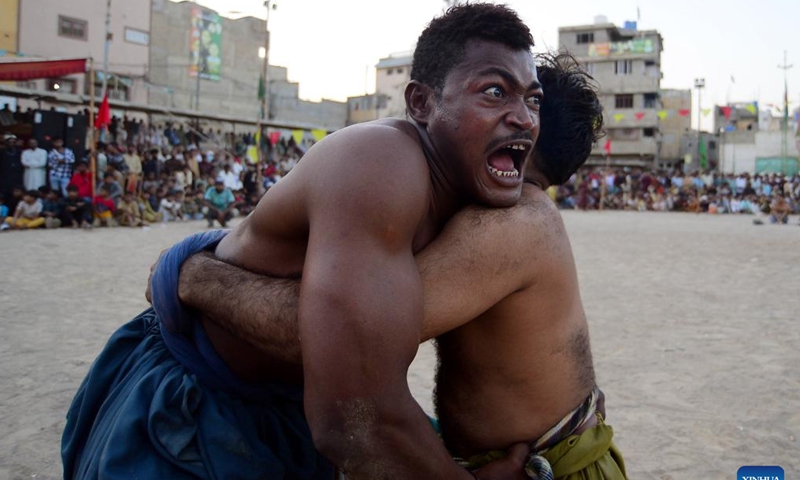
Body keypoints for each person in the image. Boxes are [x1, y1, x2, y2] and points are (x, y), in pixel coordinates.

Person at [63, 4, 543, 479]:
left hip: (285, 410)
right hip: (190, 400)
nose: (523, 118)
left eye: (533, 100)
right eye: (495, 92)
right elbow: (358, 423)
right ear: (421, 103)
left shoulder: (477, 197)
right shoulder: (381, 160)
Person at [165, 53, 624, 479]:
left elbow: (342, 340)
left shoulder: (505, 225)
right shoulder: (504, 210)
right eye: (494, 93)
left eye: (525, 100)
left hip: (545, 466)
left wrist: (194, 275)